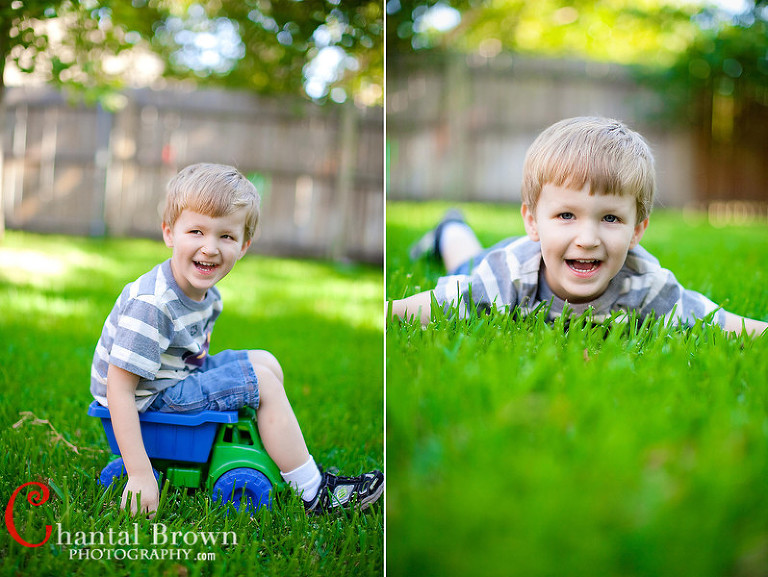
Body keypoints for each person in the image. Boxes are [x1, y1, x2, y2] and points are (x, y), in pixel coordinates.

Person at [91, 163, 383, 515]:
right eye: (196, 231)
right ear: (169, 233)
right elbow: (118, 389)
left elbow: (192, 357)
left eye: (225, 236)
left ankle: (276, 444)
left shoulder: (207, 295)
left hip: (173, 376)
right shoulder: (152, 305)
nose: (210, 248)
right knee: (259, 379)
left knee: (265, 362)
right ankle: (313, 492)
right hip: (148, 398)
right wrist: (139, 473)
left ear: (244, 245)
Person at [390, 116, 767, 337]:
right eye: (566, 215)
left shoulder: (645, 282)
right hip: (498, 259)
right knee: (464, 261)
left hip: (535, 253)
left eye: (610, 218)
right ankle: (449, 227)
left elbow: (715, 320)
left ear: (637, 230)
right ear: (532, 221)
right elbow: (429, 307)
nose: (587, 240)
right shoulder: (507, 275)